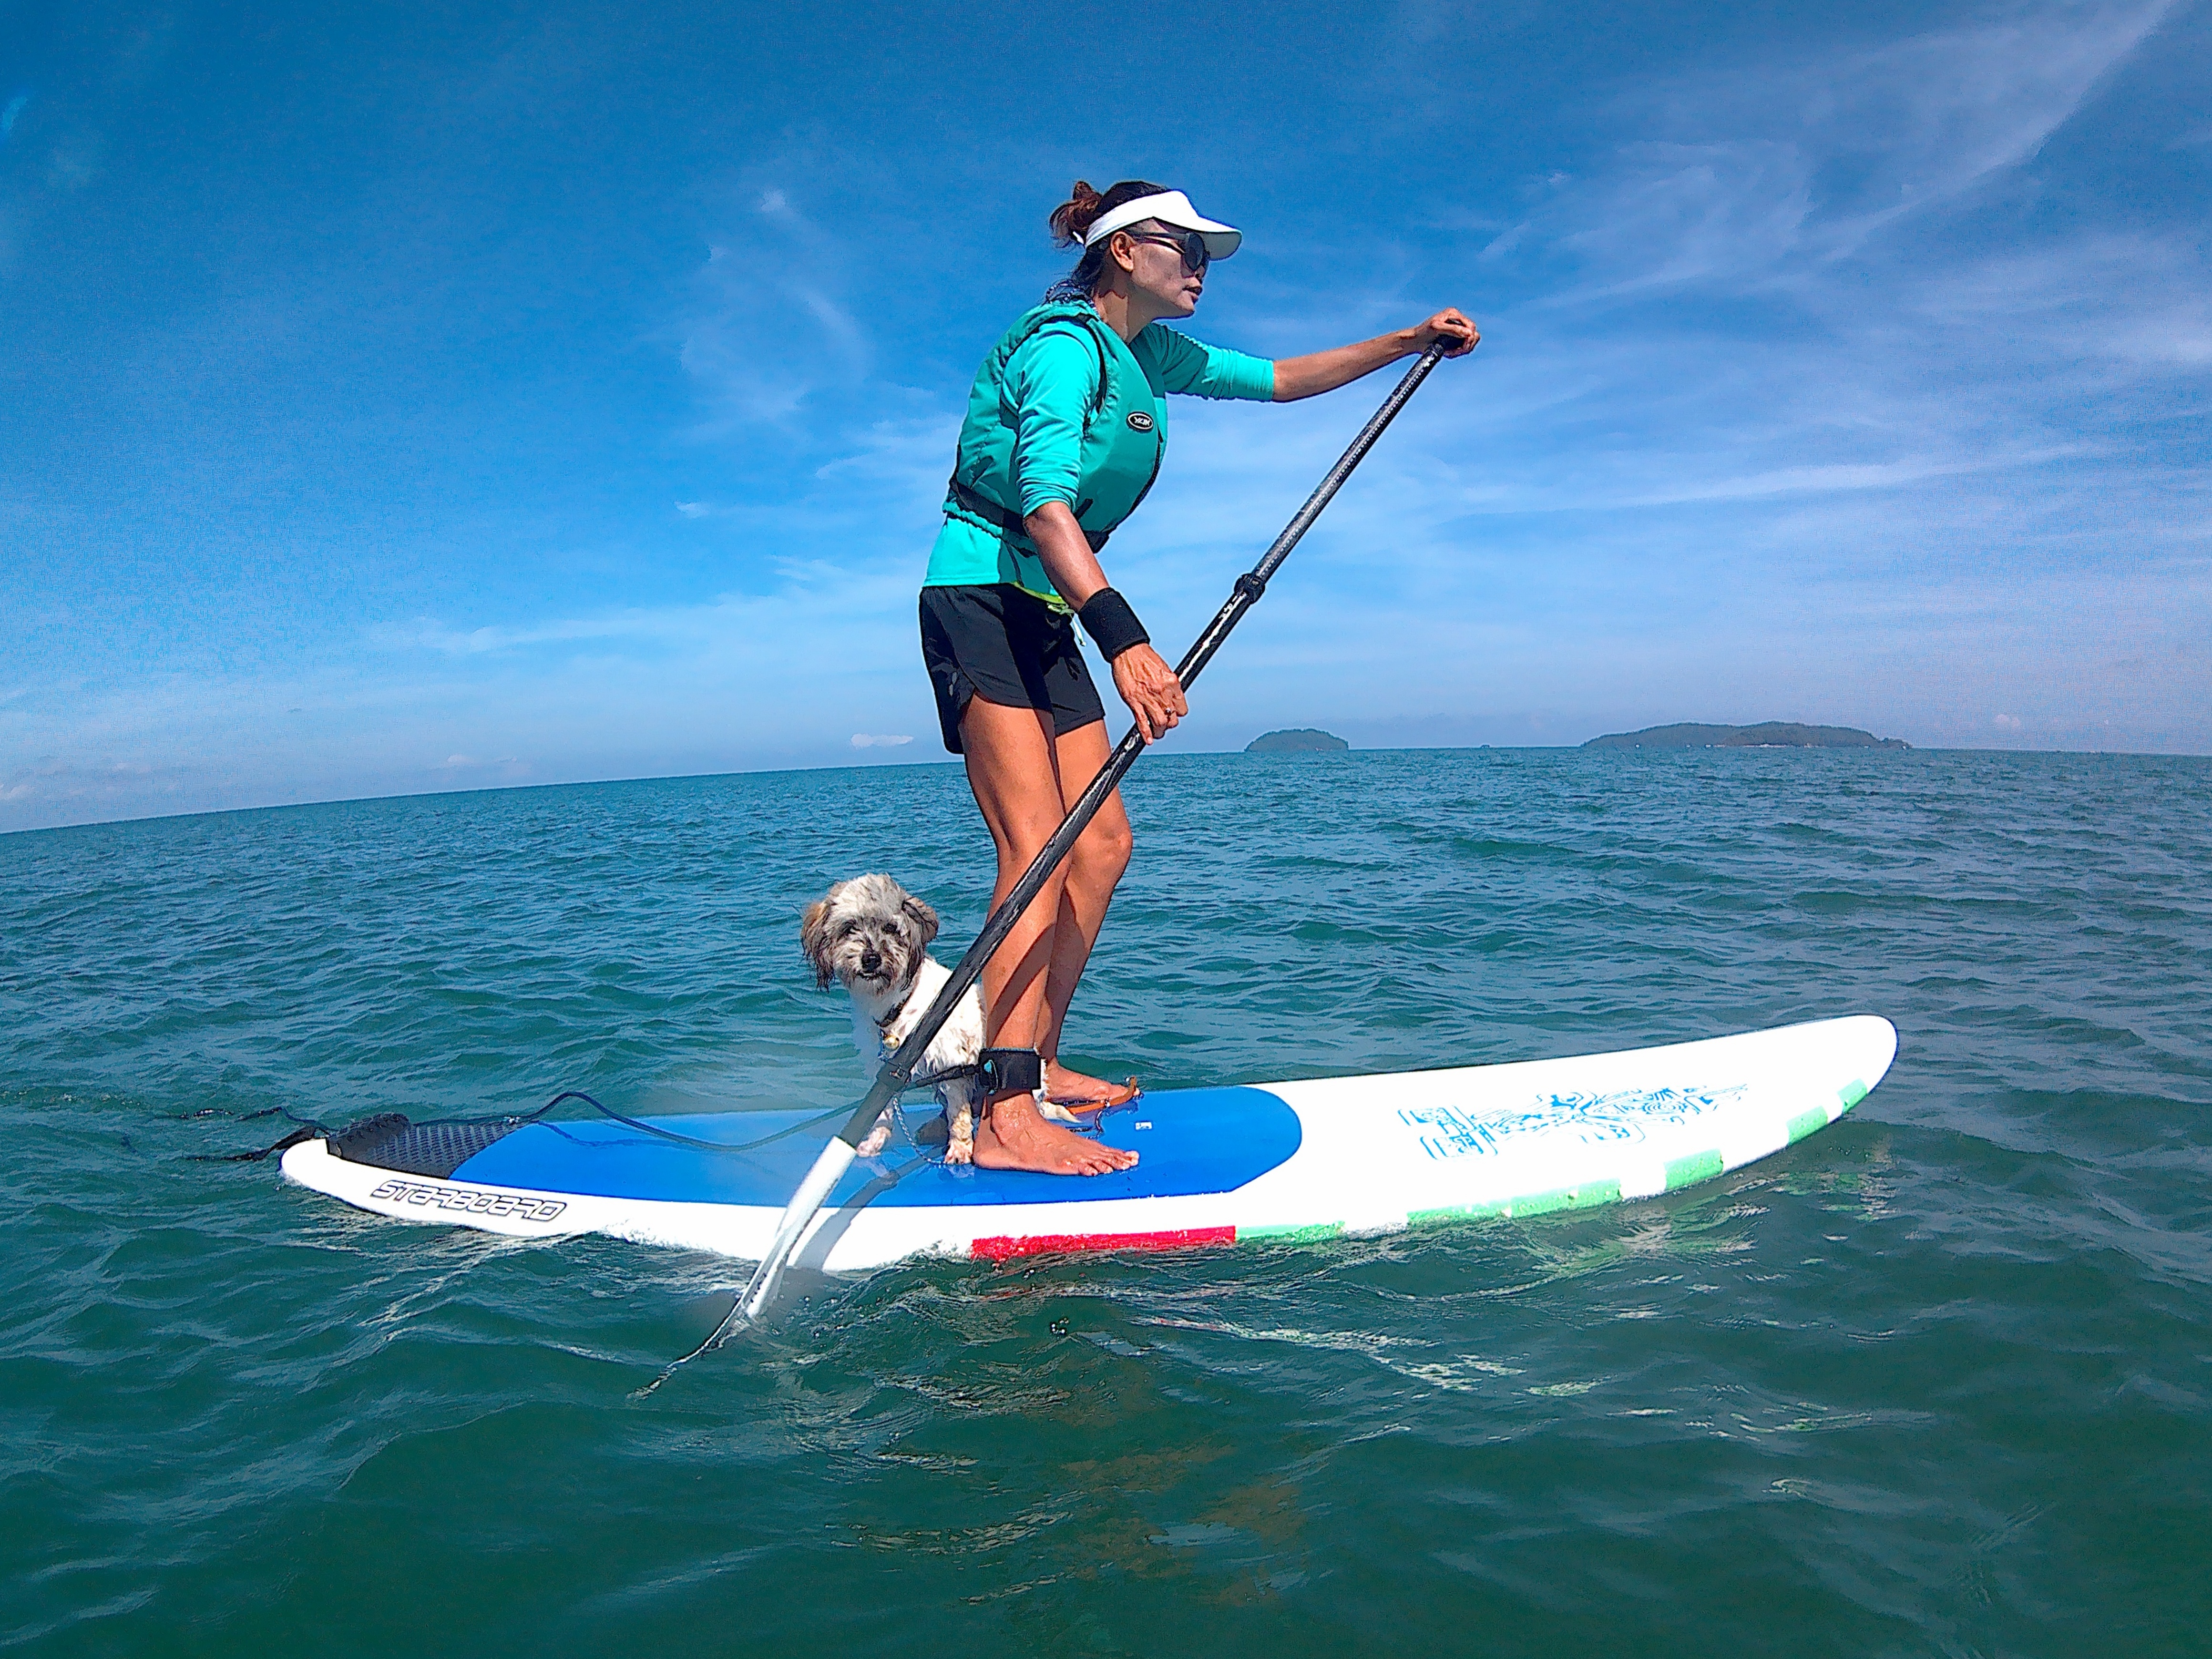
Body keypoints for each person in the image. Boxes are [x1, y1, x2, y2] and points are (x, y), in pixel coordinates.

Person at [919, 178, 1478, 1176]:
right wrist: (1128, 642)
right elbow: (1045, 509)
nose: (1203, 270)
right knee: (1035, 854)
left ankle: (1035, 1058)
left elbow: (1281, 378)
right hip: (982, 600)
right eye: (1189, 251)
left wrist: (1406, 342)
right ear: (1127, 250)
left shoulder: (1153, 354)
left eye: (1208, 256)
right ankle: (1004, 1117)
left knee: (1099, 847)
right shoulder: (1060, 348)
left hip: (1048, 610)